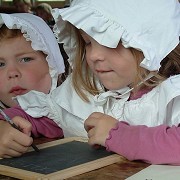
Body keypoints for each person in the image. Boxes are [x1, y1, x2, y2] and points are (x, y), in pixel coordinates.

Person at [2, 0, 180, 165]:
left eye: (110, 42)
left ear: (151, 41)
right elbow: (28, 115)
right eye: (87, 42)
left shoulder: (172, 95)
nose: (94, 55)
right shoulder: (84, 92)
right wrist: (4, 128)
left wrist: (118, 136)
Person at [0, 13, 65, 158]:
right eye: (0, 64)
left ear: (52, 63)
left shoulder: (76, 101)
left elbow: (36, 118)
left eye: (25, 59)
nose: (12, 73)